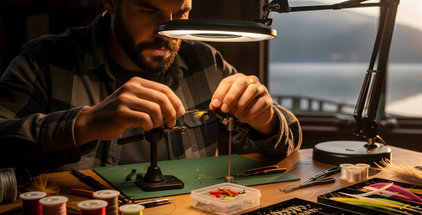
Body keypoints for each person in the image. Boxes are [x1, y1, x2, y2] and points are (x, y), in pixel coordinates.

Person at [0, 0, 302, 175]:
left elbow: (286, 144)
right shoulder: (44, 60)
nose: (167, 31)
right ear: (110, 2)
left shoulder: (204, 61)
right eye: (149, 11)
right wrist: (86, 123)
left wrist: (265, 120)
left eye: (181, 13)